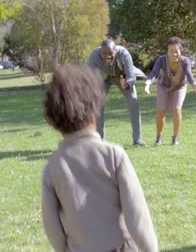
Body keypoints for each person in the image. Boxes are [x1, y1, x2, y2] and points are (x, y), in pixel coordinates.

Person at [41, 64, 158, 252]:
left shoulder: (53, 167)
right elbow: (137, 216)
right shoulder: (113, 155)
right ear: (95, 108)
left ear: (53, 119)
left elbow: (52, 227)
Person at [88, 39, 147, 146]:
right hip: (103, 79)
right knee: (98, 105)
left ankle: (137, 140)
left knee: (134, 103)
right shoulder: (94, 56)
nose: (107, 56)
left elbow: (131, 77)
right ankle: (100, 141)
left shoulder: (124, 54)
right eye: (104, 53)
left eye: (110, 53)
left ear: (116, 50)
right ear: (101, 51)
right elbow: (88, 76)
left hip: (122, 77)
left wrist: (127, 84)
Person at [144, 37, 196, 146]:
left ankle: (175, 138)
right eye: (171, 51)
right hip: (163, 86)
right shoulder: (161, 60)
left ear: (180, 52)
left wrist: (194, 85)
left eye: (176, 52)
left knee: (177, 109)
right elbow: (154, 72)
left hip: (179, 87)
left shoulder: (185, 61)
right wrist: (148, 83)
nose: (174, 54)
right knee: (161, 110)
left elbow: (189, 74)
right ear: (167, 51)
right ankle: (159, 138)